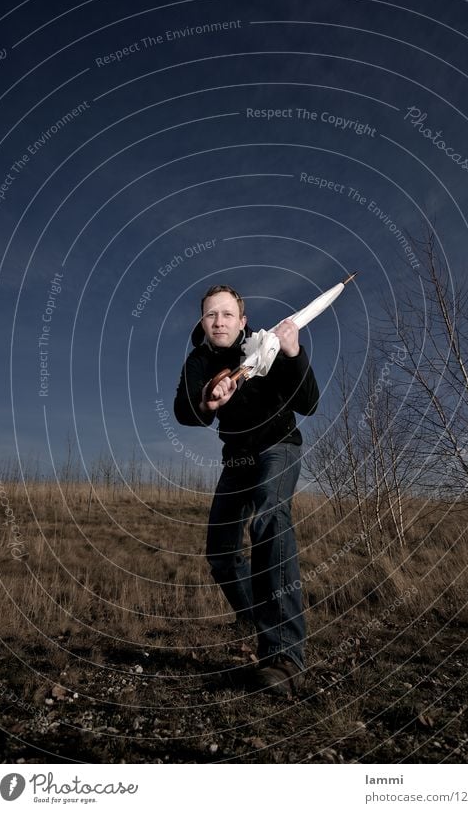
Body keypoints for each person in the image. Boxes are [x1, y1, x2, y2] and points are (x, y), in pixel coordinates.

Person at [174, 284, 319, 695]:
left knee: (269, 520)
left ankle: (284, 656)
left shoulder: (267, 346)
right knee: (220, 553)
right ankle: (255, 613)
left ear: (241, 318)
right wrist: (207, 401)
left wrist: (294, 353)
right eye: (210, 315)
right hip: (236, 457)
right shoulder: (199, 359)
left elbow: (309, 403)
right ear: (202, 322)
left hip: (278, 446)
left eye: (226, 314)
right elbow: (184, 411)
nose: (218, 321)